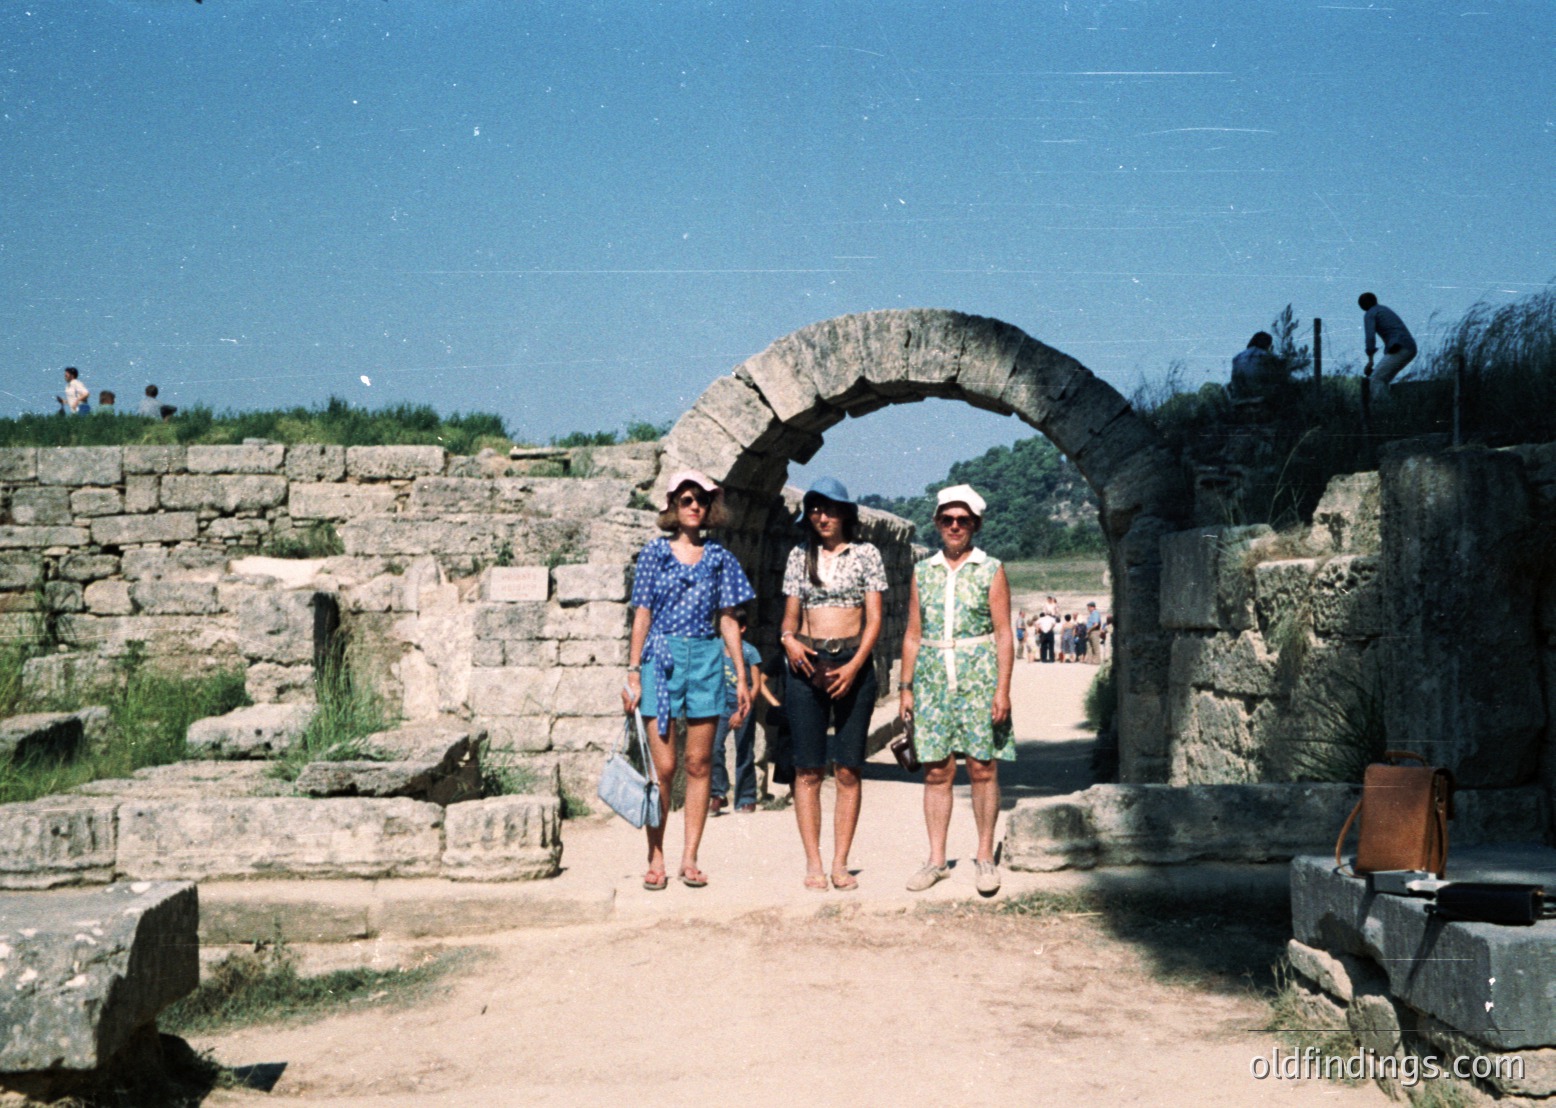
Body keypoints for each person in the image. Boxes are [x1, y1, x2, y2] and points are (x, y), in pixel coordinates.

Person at [622, 470, 754, 891]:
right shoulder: (653, 555)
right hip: (660, 659)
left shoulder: (720, 559)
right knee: (664, 767)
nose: (694, 506)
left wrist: (741, 678)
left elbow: (729, 620)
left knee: (699, 765)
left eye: (701, 500)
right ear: (673, 507)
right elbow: (641, 614)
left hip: (706, 659)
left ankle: (690, 858)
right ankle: (655, 854)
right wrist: (632, 672)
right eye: (686, 499)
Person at [899, 484, 1014, 896]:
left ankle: (985, 856)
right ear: (936, 523)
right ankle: (936, 860)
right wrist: (906, 687)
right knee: (936, 771)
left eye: (962, 520)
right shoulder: (923, 572)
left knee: (983, 767)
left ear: (975, 525)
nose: (954, 526)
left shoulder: (991, 568)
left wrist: (1002, 689)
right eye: (947, 519)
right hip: (932, 678)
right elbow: (913, 633)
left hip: (978, 677)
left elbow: (1003, 634)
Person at [780, 477, 887, 892]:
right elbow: (790, 617)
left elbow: (874, 618)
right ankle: (814, 862)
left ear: (845, 513)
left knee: (847, 767)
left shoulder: (866, 554)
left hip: (852, 663)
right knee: (807, 769)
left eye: (829, 509)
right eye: (815, 509)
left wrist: (856, 663)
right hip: (807, 665)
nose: (822, 517)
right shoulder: (798, 556)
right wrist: (788, 641)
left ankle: (841, 862)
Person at [709, 607, 763, 817]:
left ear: (742, 628)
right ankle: (718, 794)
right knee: (714, 747)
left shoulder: (750, 652)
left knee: (744, 750)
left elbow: (756, 685)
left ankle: (746, 798)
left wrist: (742, 711)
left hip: (743, 704)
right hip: (721, 704)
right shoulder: (716, 648)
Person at [1359, 292, 1417, 393]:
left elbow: (1370, 338)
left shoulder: (1370, 313)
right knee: (1383, 379)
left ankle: (1383, 407)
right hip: (1410, 347)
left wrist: (1370, 361)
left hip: (1399, 346)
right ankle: (1389, 405)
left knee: (1375, 379)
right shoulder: (1383, 309)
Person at [1229, 331, 1279, 399]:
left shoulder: (1237, 357)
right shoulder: (1267, 356)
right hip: (1262, 395)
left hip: (1240, 396)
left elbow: (1234, 380)